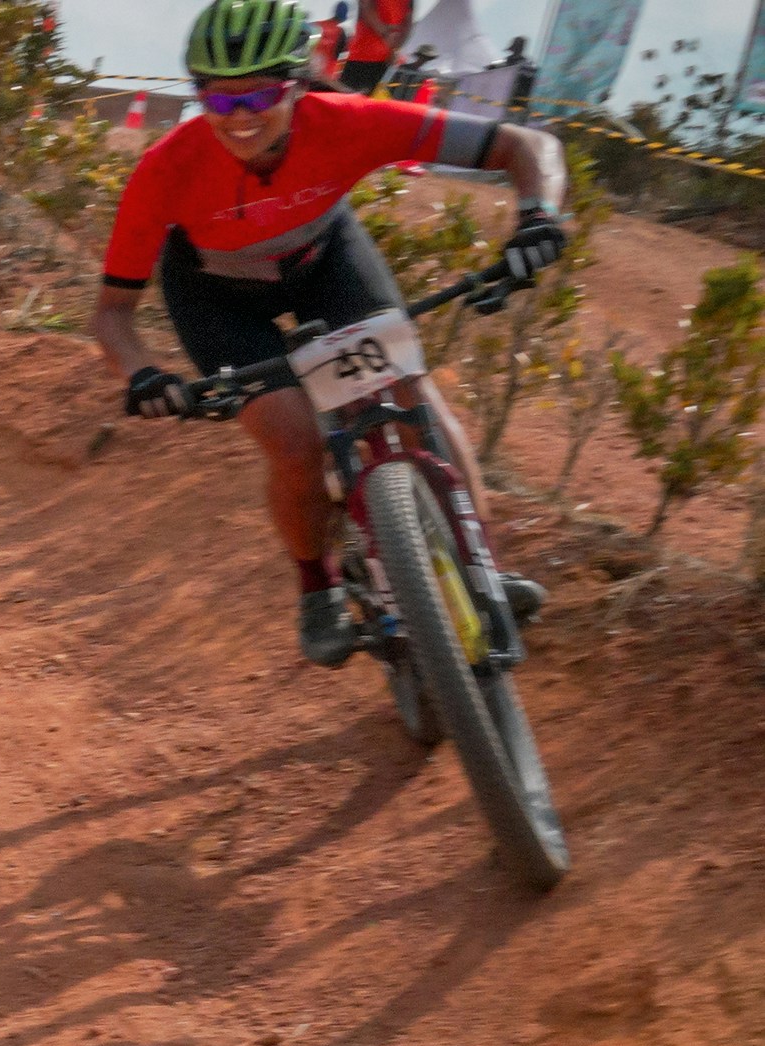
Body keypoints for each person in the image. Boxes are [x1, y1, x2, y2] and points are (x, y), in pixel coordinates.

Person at [90, 0, 568, 668]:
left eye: (260, 93)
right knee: (294, 440)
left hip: (325, 259)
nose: (242, 116)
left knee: (409, 395)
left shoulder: (346, 123)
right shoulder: (167, 170)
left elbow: (527, 146)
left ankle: (479, 564)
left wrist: (540, 217)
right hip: (218, 294)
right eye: (219, 101)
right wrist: (143, 374)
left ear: (298, 82)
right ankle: (317, 588)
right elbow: (112, 313)